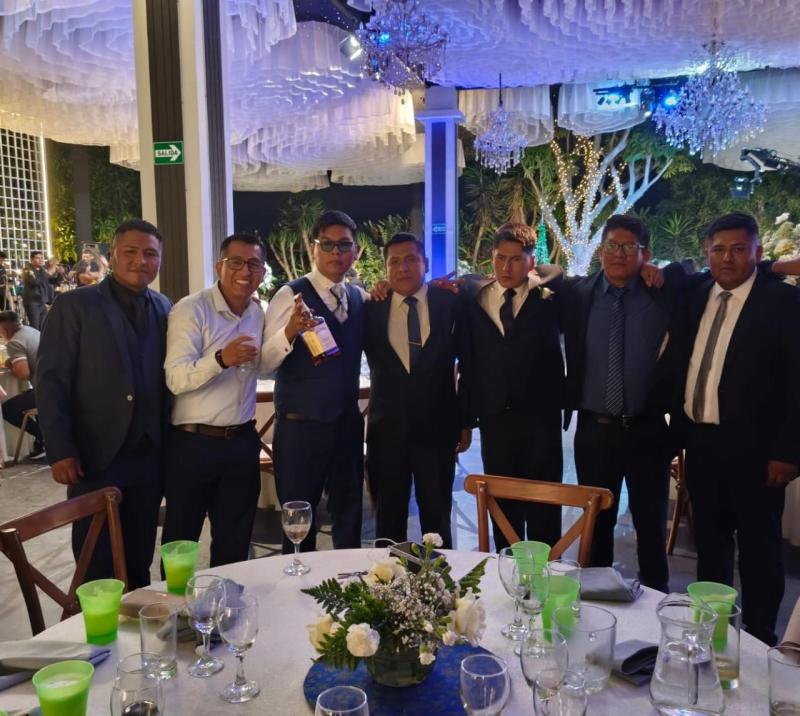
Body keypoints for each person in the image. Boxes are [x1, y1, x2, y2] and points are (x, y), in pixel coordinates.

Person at [678, 212, 800, 645]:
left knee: (759, 549)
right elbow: (670, 274)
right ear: (707, 253)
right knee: (709, 545)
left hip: (759, 450)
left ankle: (759, 639)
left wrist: (789, 451)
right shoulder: (696, 292)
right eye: (719, 249)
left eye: (738, 249)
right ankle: (711, 632)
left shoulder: (784, 302)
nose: (727, 258)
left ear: (757, 252)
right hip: (701, 443)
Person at [36, 218, 171, 588]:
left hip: (149, 457)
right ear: (112, 255)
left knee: (139, 555)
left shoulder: (164, 307)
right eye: (131, 252)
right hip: (94, 456)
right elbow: (51, 381)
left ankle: (137, 617)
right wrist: (60, 449)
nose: (141, 260)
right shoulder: (74, 305)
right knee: (95, 560)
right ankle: (96, 624)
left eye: (150, 254)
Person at [559, 215, 686, 592]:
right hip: (594, 430)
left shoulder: (660, 293)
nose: (618, 253)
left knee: (650, 525)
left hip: (647, 429)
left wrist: (660, 270)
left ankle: (656, 601)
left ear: (645, 253)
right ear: (600, 251)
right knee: (597, 524)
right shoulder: (578, 294)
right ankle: (596, 602)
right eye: (611, 245)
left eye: (629, 247)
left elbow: (690, 273)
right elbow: (540, 274)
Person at [262, 210, 367, 553]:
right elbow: (264, 363)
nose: (336, 252)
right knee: (298, 521)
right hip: (300, 429)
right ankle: (297, 580)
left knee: (349, 515)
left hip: (347, 426)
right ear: (314, 249)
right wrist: (290, 331)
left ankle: (350, 580)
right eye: (328, 244)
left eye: (344, 245)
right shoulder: (290, 295)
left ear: (355, 252)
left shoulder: (358, 297)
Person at [160, 233, 265, 567]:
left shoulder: (257, 313)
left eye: (253, 264)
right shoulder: (191, 309)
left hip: (242, 442)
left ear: (262, 273)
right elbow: (175, 378)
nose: (245, 271)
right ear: (219, 266)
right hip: (193, 444)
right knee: (180, 542)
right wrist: (221, 359)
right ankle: (174, 602)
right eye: (236, 262)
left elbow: (262, 366)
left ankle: (228, 599)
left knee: (235, 541)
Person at [460, 223, 564, 551]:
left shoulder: (550, 294)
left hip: (541, 421)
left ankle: (546, 569)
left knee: (545, 505)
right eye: (500, 258)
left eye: (516, 259)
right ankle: (507, 568)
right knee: (503, 506)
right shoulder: (473, 297)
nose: (506, 267)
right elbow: (468, 363)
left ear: (531, 262)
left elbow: (556, 271)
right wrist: (466, 419)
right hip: (495, 421)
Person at [363, 232, 470, 548]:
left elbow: (469, 364)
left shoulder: (449, 303)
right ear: (385, 268)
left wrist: (465, 421)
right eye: (394, 262)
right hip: (386, 433)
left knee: (438, 521)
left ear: (425, 263)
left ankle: (440, 577)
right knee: (388, 522)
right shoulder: (371, 308)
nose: (403, 267)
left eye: (411, 259)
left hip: (437, 431)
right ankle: (385, 578)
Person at [0, 310, 45, 459]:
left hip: (44, 390)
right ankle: (42, 441)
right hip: (56, 386)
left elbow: (23, 373)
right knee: (25, 398)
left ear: (5, 329)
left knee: (8, 409)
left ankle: (44, 437)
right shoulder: (31, 330)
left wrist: (10, 364)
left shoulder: (15, 342)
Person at [22, 250, 59, 330]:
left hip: (42, 302)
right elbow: (36, 282)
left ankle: (42, 338)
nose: (41, 260)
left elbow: (51, 281)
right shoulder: (27, 270)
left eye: (42, 258)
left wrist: (59, 274)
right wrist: (48, 273)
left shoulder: (42, 270)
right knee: (35, 326)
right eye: (38, 258)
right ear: (32, 259)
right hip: (32, 302)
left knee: (43, 326)